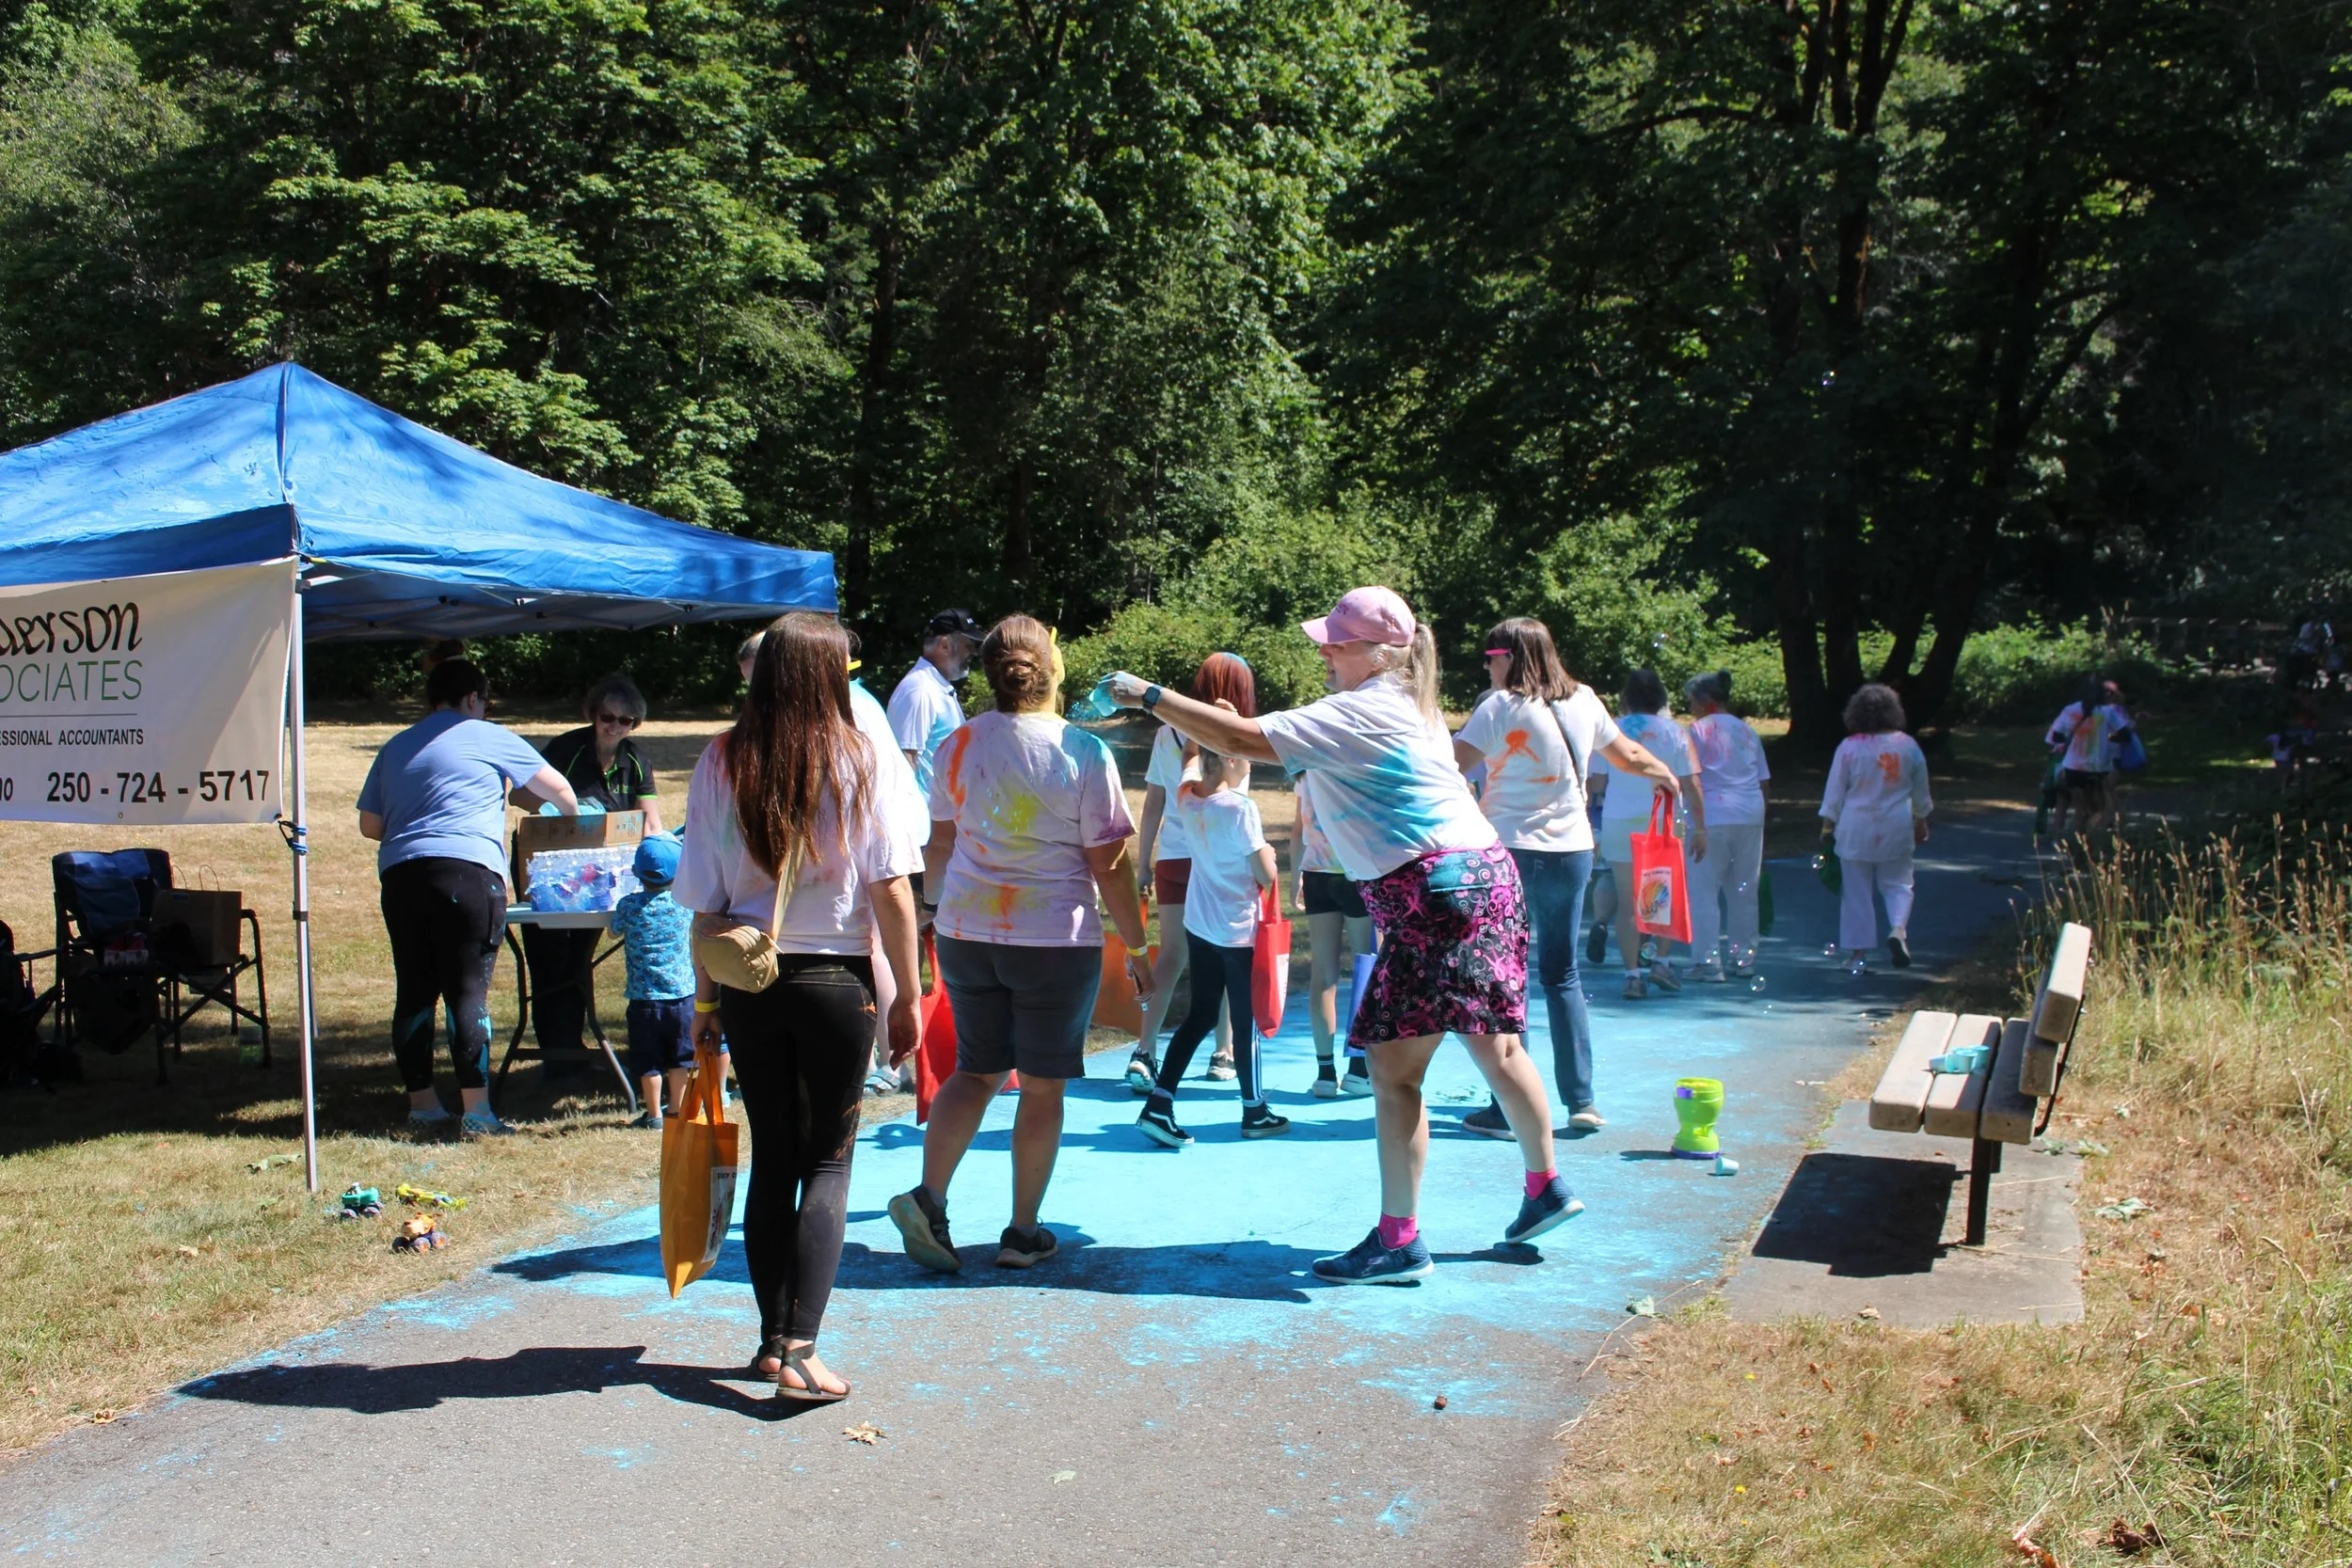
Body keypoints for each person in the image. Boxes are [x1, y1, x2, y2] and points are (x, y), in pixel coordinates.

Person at [1107, 586, 1583, 1285]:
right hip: (1486, 877)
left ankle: (1399, 1238)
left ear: (1380, 652)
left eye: (1337, 641)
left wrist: (1149, 695)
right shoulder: (1411, 704)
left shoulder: (1359, 709)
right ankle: (1545, 1185)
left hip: (1431, 892)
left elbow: (1240, 740)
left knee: (1394, 1073)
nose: (1323, 650)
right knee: (1499, 1048)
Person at [676, 612, 924, 1403]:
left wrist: (705, 998)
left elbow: (703, 899)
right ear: (829, 674)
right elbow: (890, 885)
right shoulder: (862, 754)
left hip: (750, 977)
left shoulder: (723, 756)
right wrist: (909, 994)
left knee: (776, 1156)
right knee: (827, 1160)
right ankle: (804, 1348)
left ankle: (768, 1339)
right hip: (836, 979)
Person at [888, 615, 1152, 1275]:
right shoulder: (1083, 752)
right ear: (1051, 670)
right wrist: (1139, 947)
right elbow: (1110, 865)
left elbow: (939, 845)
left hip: (965, 933)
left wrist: (931, 917)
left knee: (974, 1071)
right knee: (1041, 1088)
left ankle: (929, 1198)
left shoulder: (956, 745)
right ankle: (1022, 1231)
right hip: (1053, 942)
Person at [1453, 618, 1680, 1136]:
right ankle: (1582, 1101)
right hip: (1572, 850)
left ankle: (1509, 1106)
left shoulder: (1499, 708)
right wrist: (1664, 774)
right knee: (1562, 974)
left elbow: (1452, 767)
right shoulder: (1585, 701)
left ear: (1510, 656)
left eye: (1491, 655)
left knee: (1507, 978)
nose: (1487, 665)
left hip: (1508, 852)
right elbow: (1627, 755)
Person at [357, 658, 580, 1135]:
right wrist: (568, 822)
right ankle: (477, 1111)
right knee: (467, 990)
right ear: (474, 699)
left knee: (414, 991)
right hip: (468, 872)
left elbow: (369, 825)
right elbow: (560, 791)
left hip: (402, 875)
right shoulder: (487, 734)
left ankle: (423, 1104)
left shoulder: (395, 745)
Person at [1135, 747, 1287, 1145]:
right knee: (1244, 1018)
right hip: (1237, 931)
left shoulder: (1187, 797)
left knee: (1200, 1015)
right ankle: (1254, 1109)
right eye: (1244, 754)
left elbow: (1188, 765)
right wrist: (1270, 855)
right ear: (1231, 761)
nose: (1250, 763)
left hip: (1200, 926)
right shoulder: (1241, 808)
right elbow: (1264, 873)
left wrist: (1200, 736)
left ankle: (1159, 1103)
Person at [1124, 653, 1257, 1092]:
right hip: (1220, 859)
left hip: (1176, 857)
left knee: (1172, 956)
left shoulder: (1167, 731)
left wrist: (1144, 862)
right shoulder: (1238, 735)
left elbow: (1155, 803)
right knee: (1226, 951)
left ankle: (1144, 1052)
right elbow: (1235, 795)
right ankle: (1224, 1053)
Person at [523, 673, 663, 1074]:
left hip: (602, 883)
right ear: (593, 714)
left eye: (626, 721)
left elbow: (650, 822)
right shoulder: (565, 748)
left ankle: (574, 1047)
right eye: (608, 717)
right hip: (552, 876)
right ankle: (557, 1052)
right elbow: (525, 798)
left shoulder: (636, 760)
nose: (615, 727)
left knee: (580, 960)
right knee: (549, 962)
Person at [1587, 670, 1705, 998]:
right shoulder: (1676, 733)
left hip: (1618, 818)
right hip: (1663, 819)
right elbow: (1692, 782)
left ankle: (1631, 975)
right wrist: (1702, 827)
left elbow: (1596, 784)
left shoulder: (1612, 731)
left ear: (1626, 698)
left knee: (1627, 901)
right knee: (1662, 893)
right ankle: (1661, 963)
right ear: (1662, 699)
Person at [1820, 682, 1933, 973]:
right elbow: (1921, 788)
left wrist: (1827, 825)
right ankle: (1897, 929)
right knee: (1898, 884)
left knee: (1856, 891)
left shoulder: (1849, 747)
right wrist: (1921, 819)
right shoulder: (1908, 745)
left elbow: (1835, 790)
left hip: (1855, 825)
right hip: (1896, 825)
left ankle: (1858, 954)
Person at [1680, 670, 1771, 983]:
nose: (1690, 706)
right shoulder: (1747, 731)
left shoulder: (1695, 731)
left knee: (1703, 890)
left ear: (1705, 701)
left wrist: (1694, 820)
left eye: (1691, 701)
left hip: (1711, 815)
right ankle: (1743, 958)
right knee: (1744, 889)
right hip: (1749, 813)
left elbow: (1690, 777)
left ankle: (1708, 962)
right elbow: (1763, 780)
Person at [1294, 775, 1374, 1099]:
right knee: (1366, 969)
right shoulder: (1354, 767)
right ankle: (1358, 1068)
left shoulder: (1305, 772)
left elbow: (1298, 826)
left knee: (1323, 974)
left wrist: (1296, 874)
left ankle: (1325, 1073)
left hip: (1317, 873)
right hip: (1357, 875)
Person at [610, 833, 693, 1129]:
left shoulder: (629, 906)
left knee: (648, 1059)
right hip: (683, 997)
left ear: (636, 872)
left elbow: (612, 932)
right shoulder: (685, 904)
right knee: (681, 1057)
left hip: (644, 998)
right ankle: (678, 1108)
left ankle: (654, 1114)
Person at [887, 608, 983, 800]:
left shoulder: (937, 687)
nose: (973, 653)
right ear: (946, 645)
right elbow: (904, 762)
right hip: (925, 823)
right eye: (968, 645)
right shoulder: (920, 690)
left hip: (942, 821)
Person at [2043, 677, 2133, 835]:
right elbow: (2126, 735)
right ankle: (2090, 839)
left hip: (2073, 766)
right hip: (2099, 767)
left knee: (2079, 805)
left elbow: (2056, 736)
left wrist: (2071, 740)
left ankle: (2076, 839)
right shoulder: (2107, 712)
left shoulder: (2070, 710)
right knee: (2097, 808)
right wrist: (2109, 738)